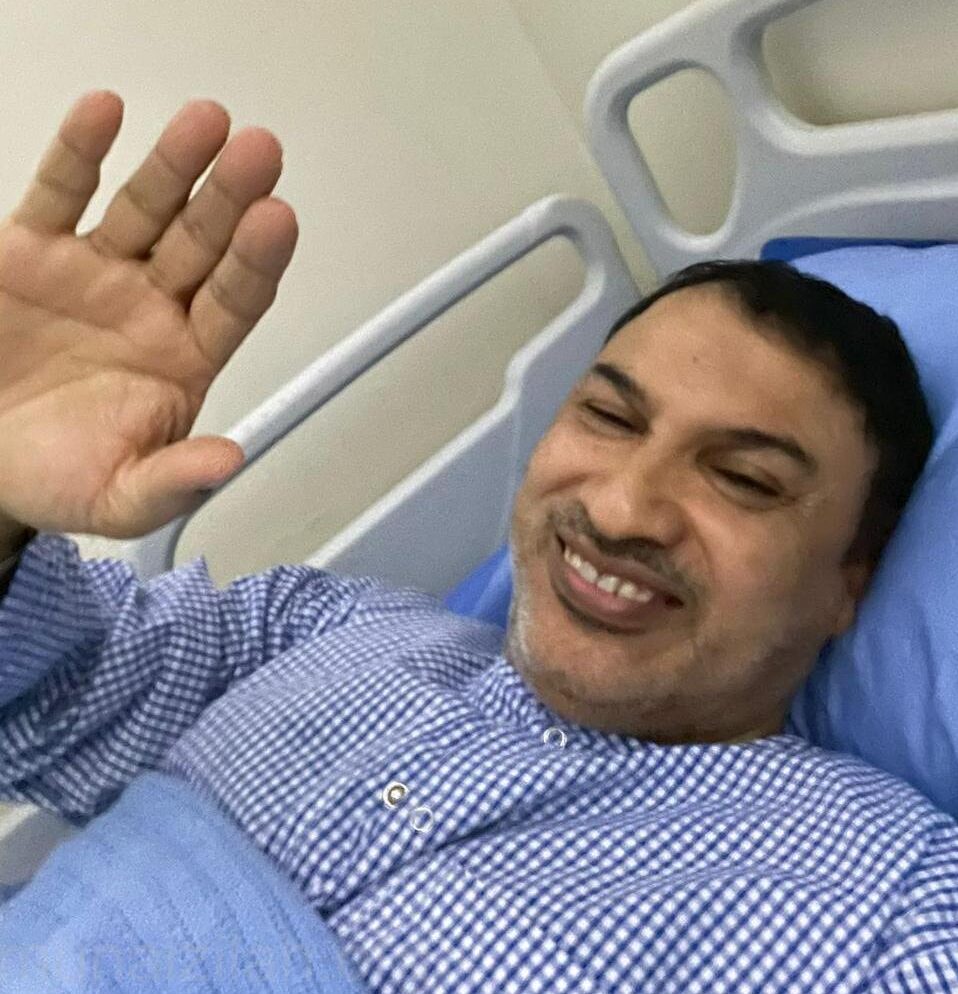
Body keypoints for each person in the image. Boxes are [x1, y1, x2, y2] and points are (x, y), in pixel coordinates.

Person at [0, 92, 956, 994]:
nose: (623, 509)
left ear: (849, 582)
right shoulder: (315, 627)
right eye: (610, 417)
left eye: (743, 478)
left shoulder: (887, 909)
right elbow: (50, 692)